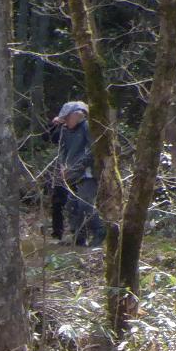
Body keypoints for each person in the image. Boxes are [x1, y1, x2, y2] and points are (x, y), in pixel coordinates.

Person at [46, 103, 104, 248]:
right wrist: (63, 166)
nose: (65, 121)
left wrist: (78, 167)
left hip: (87, 174)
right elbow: (56, 144)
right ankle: (79, 238)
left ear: (77, 115)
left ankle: (99, 232)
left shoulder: (87, 127)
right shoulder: (66, 130)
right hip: (71, 174)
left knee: (85, 203)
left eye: (67, 118)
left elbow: (93, 150)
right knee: (72, 206)